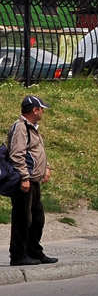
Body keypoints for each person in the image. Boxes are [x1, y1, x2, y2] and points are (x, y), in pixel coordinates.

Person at [7, 95, 55, 266]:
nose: (43, 111)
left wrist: (46, 167)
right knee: (22, 219)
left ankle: (34, 251)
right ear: (35, 110)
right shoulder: (21, 127)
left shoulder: (33, 128)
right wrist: (24, 178)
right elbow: (16, 154)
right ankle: (19, 255)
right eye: (42, 108)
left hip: (34, 181)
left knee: (37, 219)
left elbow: (37, 150)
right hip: (24, 182)